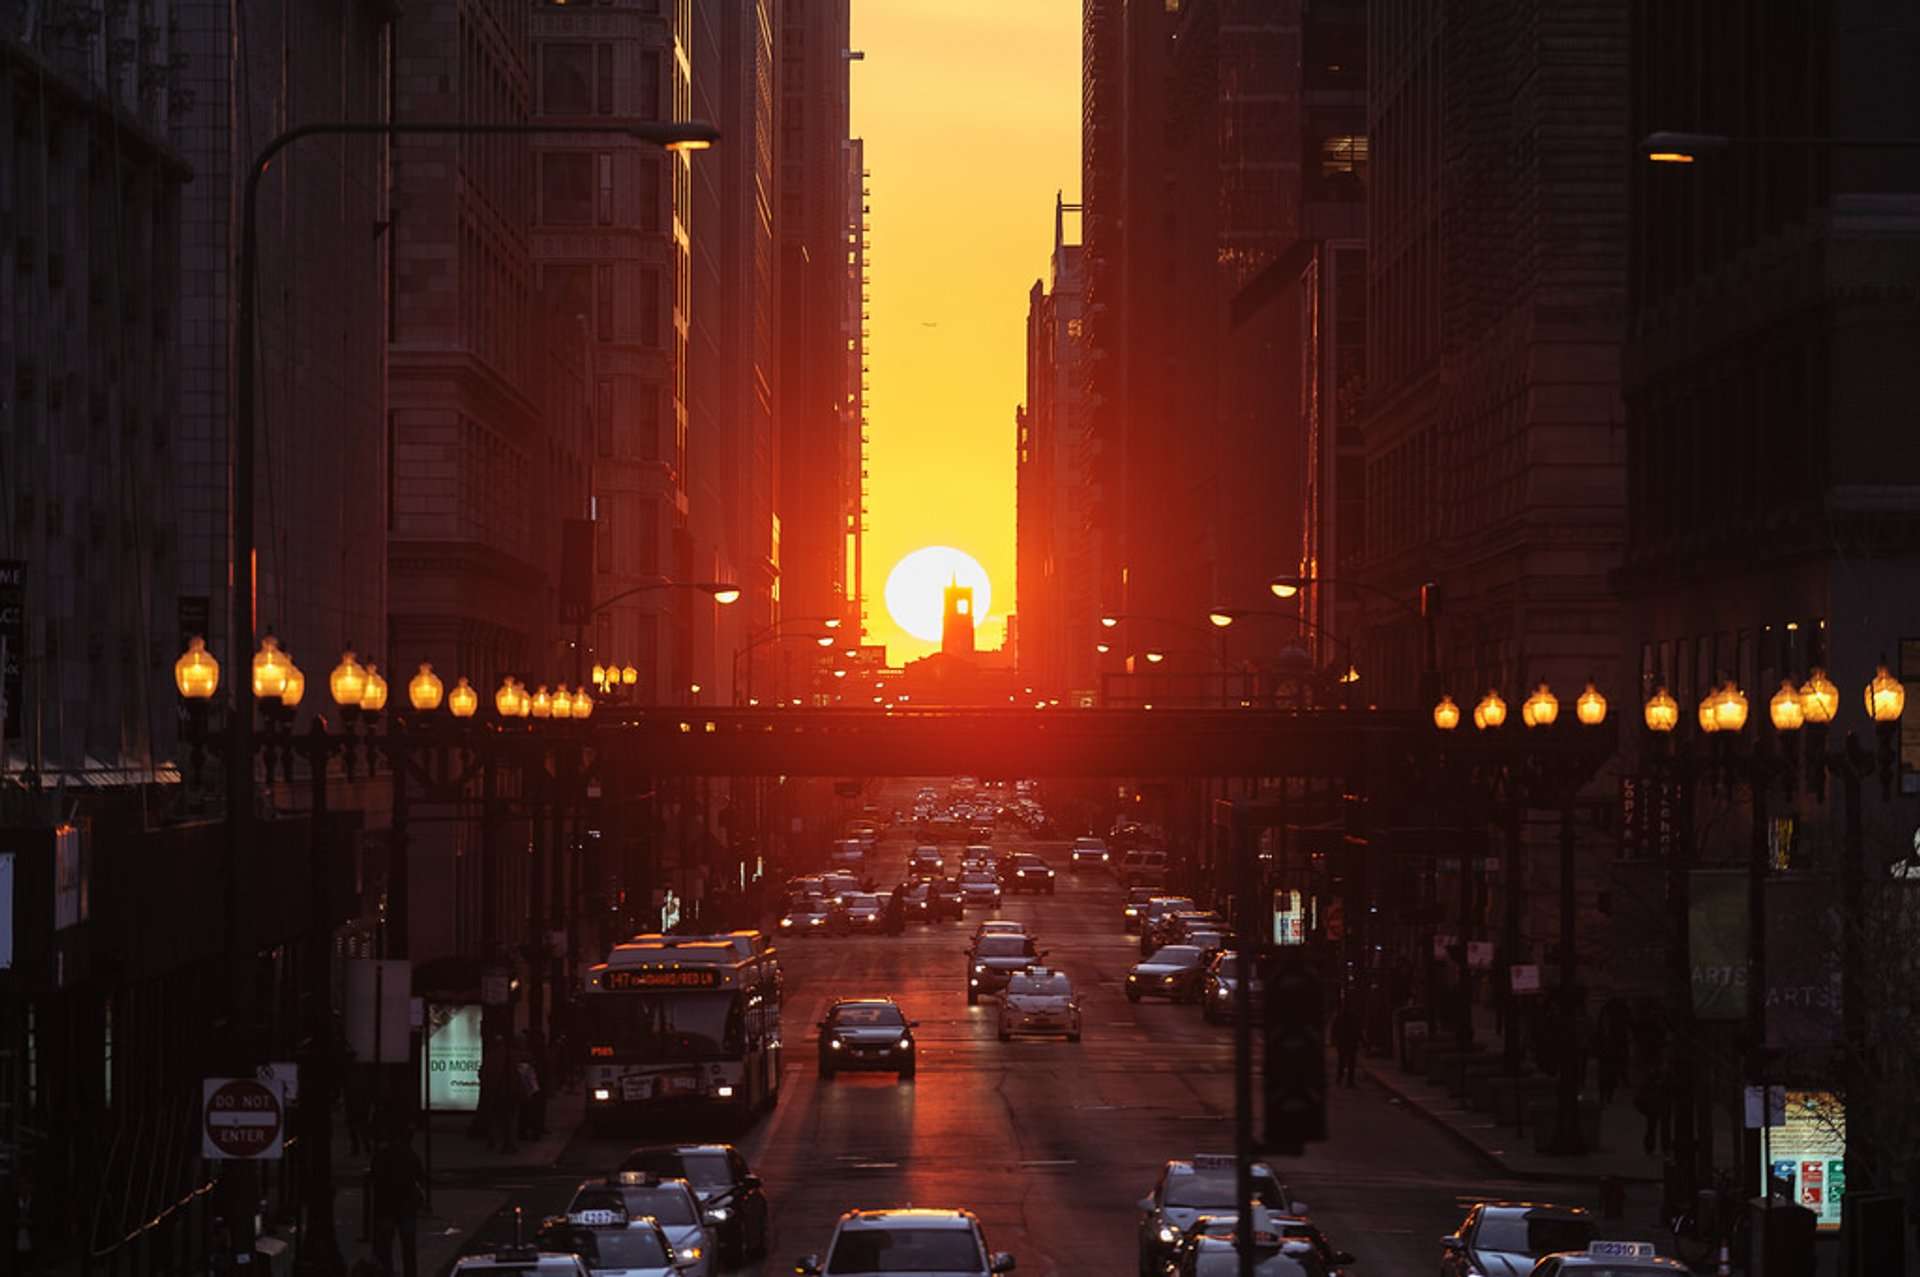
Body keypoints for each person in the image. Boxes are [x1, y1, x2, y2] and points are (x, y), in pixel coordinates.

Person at [368, 1127, 427, 1277]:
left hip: (386, 1207)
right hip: (405, 1206)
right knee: (408, 1247)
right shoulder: (410, 1155)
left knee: (385, 1248)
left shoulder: (382, 1155)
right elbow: (420, 1176)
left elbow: (374, 1178)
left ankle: (387, 1273)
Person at [478, 1037, 517, 1154]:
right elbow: (513, 1075)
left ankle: (492, 1140)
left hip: (492, 1091)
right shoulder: (509, 1056)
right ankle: (507, 1143)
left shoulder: (489, 1056)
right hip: (505, 1091)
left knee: (494, 1117)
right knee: (508, 1118)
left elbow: (483, 1073)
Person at [1636, 1053, 1673, 1154]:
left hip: (1659, 1103)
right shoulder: (1654, 1074)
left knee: (1659, 1126)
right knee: (1654, 1126)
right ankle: (1657, 1147)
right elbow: (1644, 1088)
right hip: (1655, 1103)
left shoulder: (1664, 1074)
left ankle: (1661, 1147)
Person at [1331, 998, 1361, 1087]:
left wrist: (1334, 1040)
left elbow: (1334, 1029)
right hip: (1349, 1042)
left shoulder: (1339, 1016)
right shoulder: (1353, 1016)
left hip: (1344, 1042)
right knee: (1350, 1062)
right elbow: (1357, 1030)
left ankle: (1341, 1079)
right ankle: (1348, 1081)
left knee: (1342, 1061)